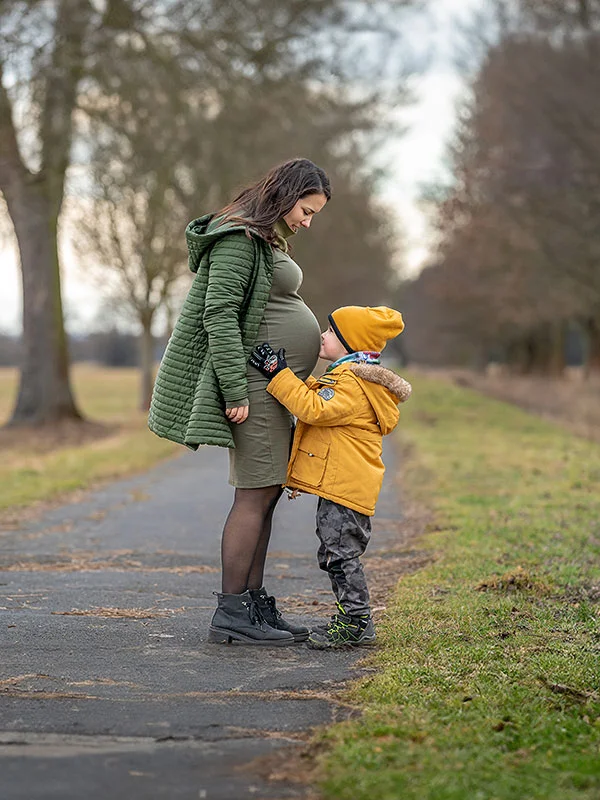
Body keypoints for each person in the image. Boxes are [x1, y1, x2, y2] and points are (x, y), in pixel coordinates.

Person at [148, 158, 331, 646]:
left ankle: (252, 604)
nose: (307, 223)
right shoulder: (239, 238)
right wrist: (235, 390)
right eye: (306, 211)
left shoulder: (265, 237)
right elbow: (219, 313)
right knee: (254, 495)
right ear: (286, 195)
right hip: (253, 387)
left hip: (272, 387)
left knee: (267, 493)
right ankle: (232, 611)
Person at [249, 305, 411, 649]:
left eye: (331, 332)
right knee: (335, 553)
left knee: (340, 555)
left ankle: (357, 621)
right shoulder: (349, 377)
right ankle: (352, 618)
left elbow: (314, 408)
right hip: (344, 487)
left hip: (345, 490)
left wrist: (278, 374)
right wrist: (289, 376)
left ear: (351, 343)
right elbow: (319, 396)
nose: (323, 336)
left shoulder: (353, 383)